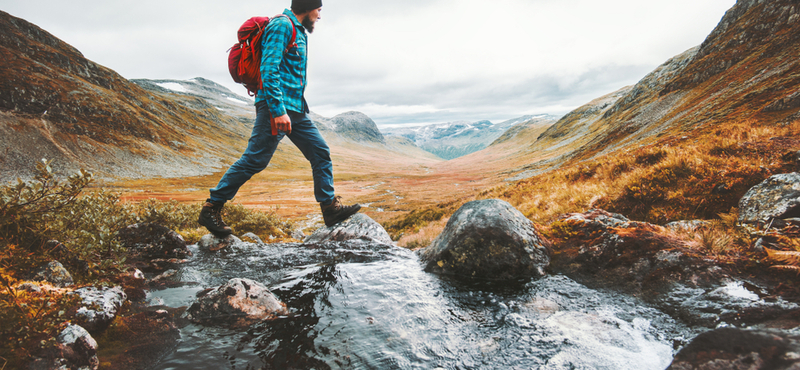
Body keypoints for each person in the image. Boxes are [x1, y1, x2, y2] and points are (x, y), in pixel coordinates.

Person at [199, 0, 360, 236]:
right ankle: (211, 207)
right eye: (319, 10)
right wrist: (277, 110)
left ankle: (329, 208)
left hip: (295, 109)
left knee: (320, 152)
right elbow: (268, 68)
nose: (319, 16)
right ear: (307, 7)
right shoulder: (282, 26)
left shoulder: (298, 31)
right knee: (255, 160)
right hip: (276, 107)